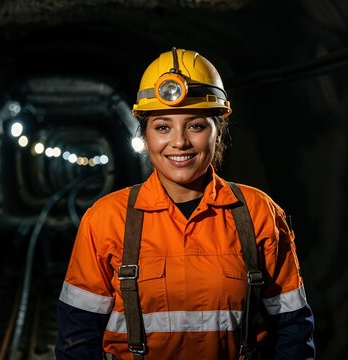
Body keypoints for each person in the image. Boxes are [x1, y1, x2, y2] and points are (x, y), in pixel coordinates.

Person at [55, 48, 315, 359]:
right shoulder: (106, 219)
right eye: (163, 127)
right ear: (145, 137)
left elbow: (293, 330)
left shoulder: (259, 213)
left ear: (218, 132)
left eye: (196, 125)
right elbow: (77, 339)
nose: (179, 142)